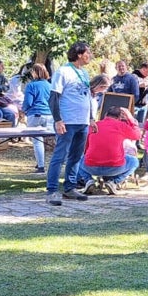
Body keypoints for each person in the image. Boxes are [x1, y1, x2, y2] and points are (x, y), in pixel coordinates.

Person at [45, 41, 94, 206]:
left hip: (82, 121)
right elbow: (54, 97)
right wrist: (58, 119)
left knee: (76, 156)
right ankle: (52, 191)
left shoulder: (84, 73)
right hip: (67, 121)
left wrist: (92, 117)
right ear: (79, 54)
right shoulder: (63, 72)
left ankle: (69, 188)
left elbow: (87, 96)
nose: (90, 55)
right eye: (88, 52)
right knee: (60, 156)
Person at [79, 106, 141, 193]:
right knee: (134, 161)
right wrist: (131, 119)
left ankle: (88, 180)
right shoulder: (121, 126)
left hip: (91, 166)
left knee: (76, 159)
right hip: (115, 167)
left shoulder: (94, 125)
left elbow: (86, 146)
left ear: (105, 115)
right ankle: (113, 182)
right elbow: (137, 135)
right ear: (120, 117)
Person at [21, 63, 53, 172]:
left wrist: (23, 110)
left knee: (37, 141)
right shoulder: (50, 85)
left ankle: (41, 166)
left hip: (35, 114)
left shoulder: (31, 86)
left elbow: (28, 102)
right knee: (53, 141)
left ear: (35, 73)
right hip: (49, 115)